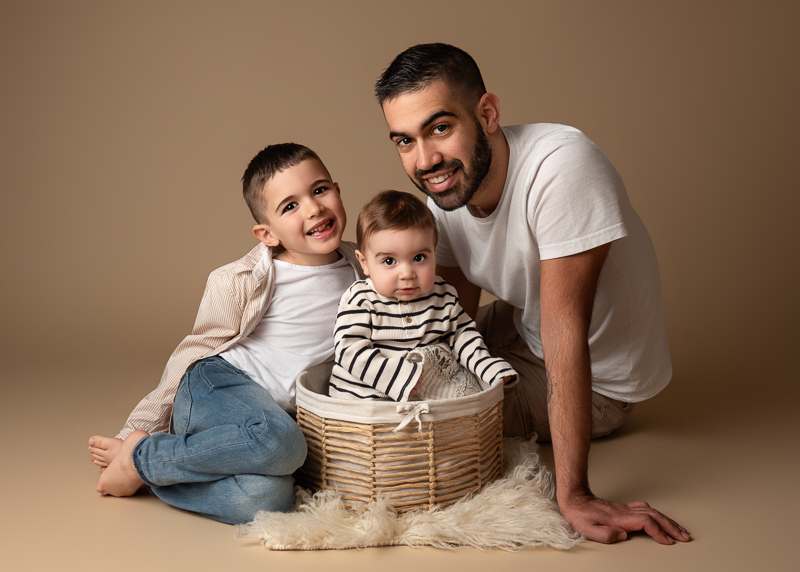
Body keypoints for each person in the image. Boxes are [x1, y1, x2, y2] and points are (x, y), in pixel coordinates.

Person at [373, 43, 690, 545]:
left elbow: (566, 329)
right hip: (525, 321)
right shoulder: (446, 195)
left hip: (601, 379)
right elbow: (440, 319)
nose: (425, 160)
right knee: (387, 355)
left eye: (439, 128)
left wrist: (575, 495)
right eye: (404, 141)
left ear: (488, 113)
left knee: (432, 420)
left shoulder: (563, 168)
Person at [87, 143, 363, 525]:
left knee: (271, 498)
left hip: (262, 422)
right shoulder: (242, 280)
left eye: (319, 191)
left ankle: (151, 472)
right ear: (267, 234)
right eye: (290, 206)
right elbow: (193, 352)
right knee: (283, 443)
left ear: (337, 190)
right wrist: (136, 428)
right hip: (217, 386)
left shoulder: (364, 268)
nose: (314, 208)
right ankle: (140, 453)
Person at [329, 189, 516, 401]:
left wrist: (488, 369)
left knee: (467, 391)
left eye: (419, 257)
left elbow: (464, 337)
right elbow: (349, 351)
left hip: (428, 397)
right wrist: (398, 377)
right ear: (365, 263)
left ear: (434, 252)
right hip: (368, 401)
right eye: (389, 261)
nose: (407, 273)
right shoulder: (361, 299)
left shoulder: (442, 295)